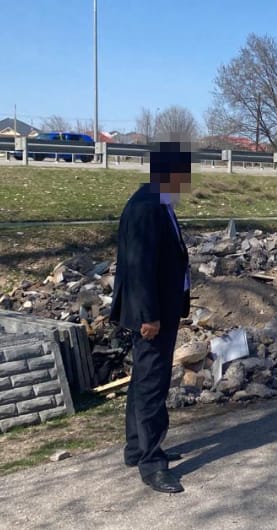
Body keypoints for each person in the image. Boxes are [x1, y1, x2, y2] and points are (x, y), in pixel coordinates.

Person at [110, 141, 192, 494]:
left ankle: (136, 448)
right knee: (152, 385)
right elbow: (139, 267)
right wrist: (149, 316)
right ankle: (152, 463)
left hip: (160, 308)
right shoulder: (147, 207)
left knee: (143, 379)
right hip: (153, 314)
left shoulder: (157, 201)